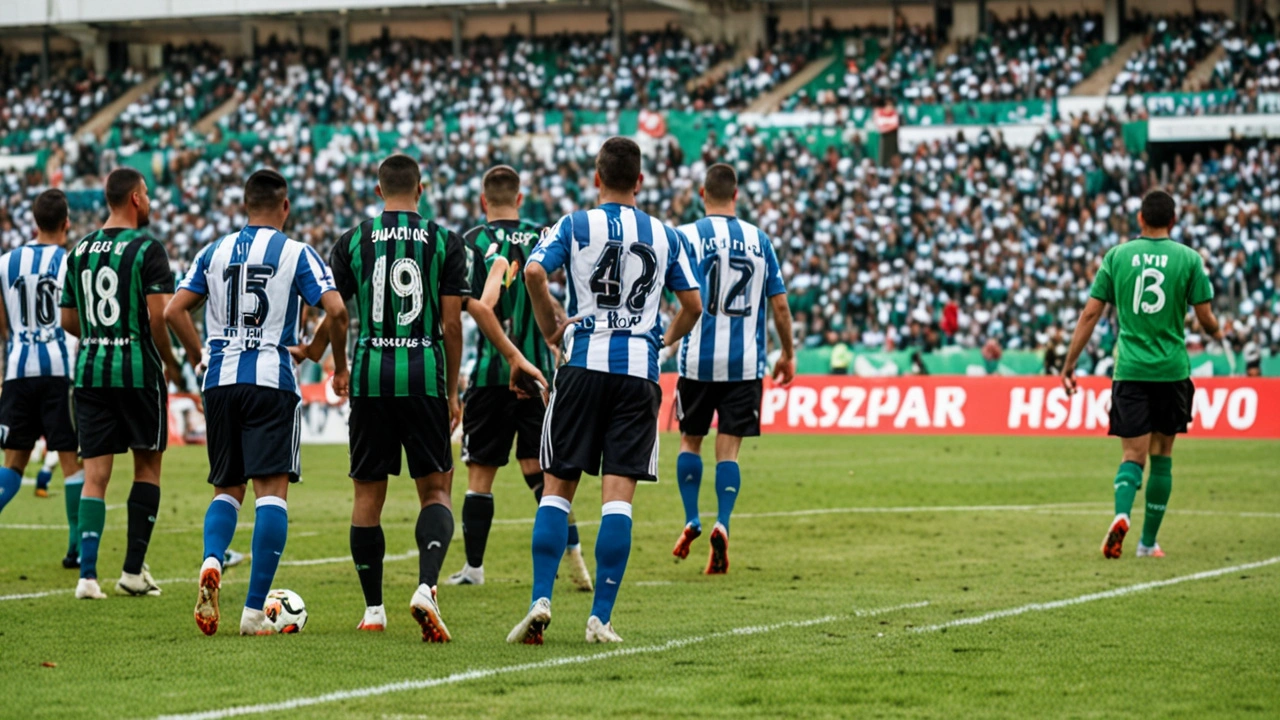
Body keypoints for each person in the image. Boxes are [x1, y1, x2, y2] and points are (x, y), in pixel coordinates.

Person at [507, 137, 703, 645]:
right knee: (618, 502)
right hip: (638, 372)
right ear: (639, 181)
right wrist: (662, 338)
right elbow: (694, 305)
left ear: (597, 177)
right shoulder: (664, 234)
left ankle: (541, 600)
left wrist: (551, 324)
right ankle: (600, 618)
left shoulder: (575, 224)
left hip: (583, 364)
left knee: (557, 490)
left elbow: (532, 269)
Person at [166, 169, 349, 635]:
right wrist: (325, 356)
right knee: (272, 493)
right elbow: (337, 311)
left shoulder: (215, 251)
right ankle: (251, 613)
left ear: (245, 205)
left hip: (221, 378)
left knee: (226, 488)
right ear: (284, 206)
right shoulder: (296, 253)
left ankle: (212, 558)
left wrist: (199, 358)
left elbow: (172, 310)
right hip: (272, 377)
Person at [328, 154, 468, 642]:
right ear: (422, 188)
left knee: (367, 496)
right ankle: (427, 586)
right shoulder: (447, 241)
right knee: (436, 490)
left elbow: (336, 314)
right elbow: (452, 325)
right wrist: (452, 391)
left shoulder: (351, 242)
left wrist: (341, 367)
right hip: (425, 377)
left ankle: (372, 609)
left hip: (369, 378)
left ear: (378, 188)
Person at [446, 165, 591, 592]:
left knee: (480, 473)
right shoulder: (542, 236)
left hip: (492, 373)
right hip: (541, 376)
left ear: (482, 201)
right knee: (543, 474)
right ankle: (577, 559)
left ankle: (474, 568)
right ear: (520, 198)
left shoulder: (471, 242)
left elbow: (475, 307)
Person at [1061, 189, 1222, 560]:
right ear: (1173, 221)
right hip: (1171, 370)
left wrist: (1069, 365)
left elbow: (1090, 315)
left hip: (1131, 370)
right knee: (1162, 454)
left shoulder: (1118, 256)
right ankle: (1148, 544)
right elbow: (1205, 316)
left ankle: (1121, 514)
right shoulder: (1189, 259)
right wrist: (1215, 331)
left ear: (1139, 219)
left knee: (1132, 456)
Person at [59, 168, 184, 600]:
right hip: (137, 370)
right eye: (146, 195)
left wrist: (100, 334)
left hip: (90, 370)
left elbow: (68, 319)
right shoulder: (149, 249)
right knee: (147, 466)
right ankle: (132, 571)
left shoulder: (78, 251)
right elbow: (158, 316)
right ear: (134, 198)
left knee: (95, 475)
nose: (149, 201)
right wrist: (171, 363)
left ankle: (87, 577)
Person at [669, 163, 795, 575]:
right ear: (736, 195)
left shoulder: (686, 236)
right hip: (744, 364)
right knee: (730, 450)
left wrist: (664, 339)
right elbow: (779, 305)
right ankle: (722, 522)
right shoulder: (760, 240)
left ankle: (691, 518)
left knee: (690, 442)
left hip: (696, 361)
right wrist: (787, 352)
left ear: (702, 194)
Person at [0, 189, 86, 569]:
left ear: (34, 221)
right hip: (59, 370)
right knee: (71, 461)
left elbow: (0, 328)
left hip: (18, 369)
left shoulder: (5, 264)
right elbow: (78, 321)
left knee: (14, 462)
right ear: (66, 223)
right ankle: (75, 547)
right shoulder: (72, 262)